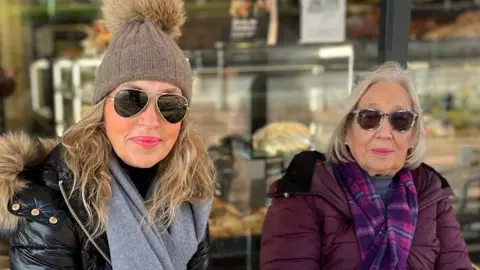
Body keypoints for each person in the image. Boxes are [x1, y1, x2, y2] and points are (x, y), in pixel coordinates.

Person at [0, 0, 215, 269]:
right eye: (132, 100)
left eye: (170, 105)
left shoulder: (190, 191)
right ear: (102, 109)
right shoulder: (50, 203)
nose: (150, 121)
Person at [260, 62, 473, 270]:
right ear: (346, 130)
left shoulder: (430, 191)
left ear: (413, 135)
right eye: (370, 117)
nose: (384, 133)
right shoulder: (303, 192)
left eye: (401, 120)